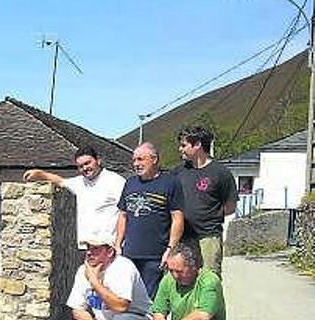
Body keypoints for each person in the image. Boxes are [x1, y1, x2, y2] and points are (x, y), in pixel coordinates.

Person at [114, 142, 184, 297]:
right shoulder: (130, 183)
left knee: (150, 302)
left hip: (155, 256)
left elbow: (177, 218)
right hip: (129, 253)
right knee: (127, 298)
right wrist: (118, 244)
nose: (136, 164)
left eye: (140, 159)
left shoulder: (170, 183)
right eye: (134, 160)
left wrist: (170, 249)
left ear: (154, 159)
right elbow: (123, 215)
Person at [23, 145, 126, 248]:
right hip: (85, 247)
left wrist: (119, 244)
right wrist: (40, 174)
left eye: (87, 163)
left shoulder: (115, 181)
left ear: (98, 161)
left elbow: (126, 214)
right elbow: (60, 181)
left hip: (107, 247)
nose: (85, 168)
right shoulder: (79, 183)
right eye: (81, 166)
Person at [173, 126, 238, 277]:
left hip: (208, 236)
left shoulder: (221, 173)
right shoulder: (177, 173)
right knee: (182, 277)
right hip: (183, 237)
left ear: (197, 145)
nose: (180, 149)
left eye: (184, 145)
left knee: (209, 279)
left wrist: (209, 216)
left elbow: (230, 206)